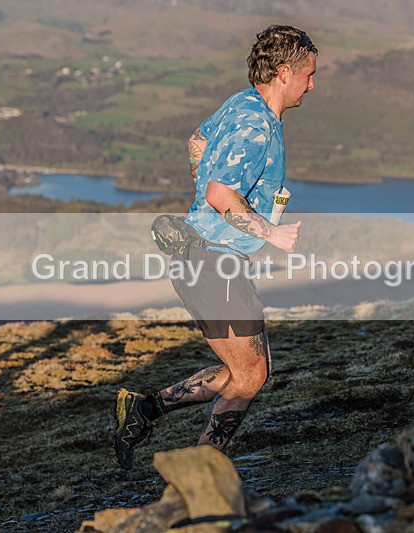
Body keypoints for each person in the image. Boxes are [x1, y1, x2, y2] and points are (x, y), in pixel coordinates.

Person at [113, 24, 317, 468]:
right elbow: (221, 195)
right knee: (251, 374)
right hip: (214, 263)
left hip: (202, 255)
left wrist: (203, 189)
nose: (312, 84)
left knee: (246, 368)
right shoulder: (257, 126)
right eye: (308, 74)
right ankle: (201, 473)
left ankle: (145, 410)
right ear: (285, 72)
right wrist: (271, 232)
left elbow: (197, 141)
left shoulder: (241, 104)